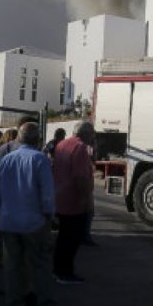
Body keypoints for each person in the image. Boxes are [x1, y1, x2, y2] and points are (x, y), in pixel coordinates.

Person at [0, 122, 63, 306]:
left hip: (8, 220)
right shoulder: (40, 159)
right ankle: (45, 305)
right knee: (40, 264)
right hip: (33, 221)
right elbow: (47, 193)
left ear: (19, 138)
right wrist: (49, 216)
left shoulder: (6, 160)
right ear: (37, 139)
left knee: (12, 266)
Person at [52, 120, 96, 284]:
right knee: (72, 239)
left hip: (61, 197)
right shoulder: (80, 148)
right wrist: (85, 201)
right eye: (92, 134)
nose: (93, 137)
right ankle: (65, 272)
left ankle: (58, 270)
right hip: (73, 201)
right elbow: (80, 178)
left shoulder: (62, 144)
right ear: (86, 134)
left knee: (63, 237)